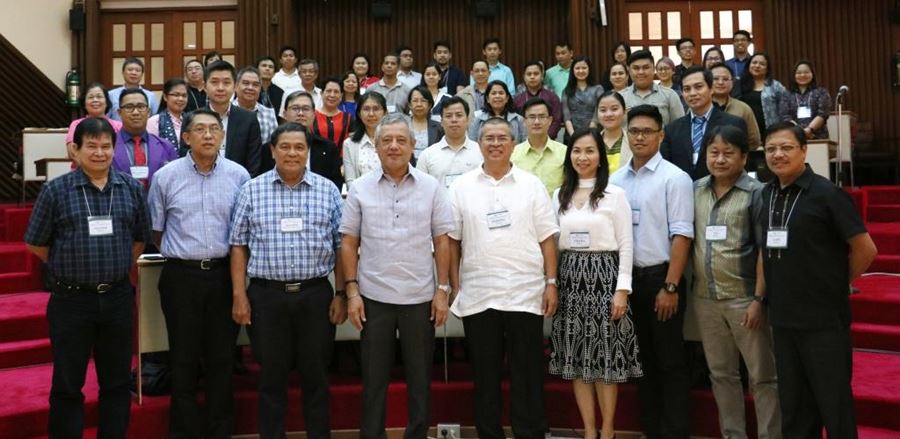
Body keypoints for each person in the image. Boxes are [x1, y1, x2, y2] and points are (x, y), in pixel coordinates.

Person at [25, 117, 150, 438]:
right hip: (71, 300)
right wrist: (67, 264)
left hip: (118, 298)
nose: (99, 153)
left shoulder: (131, 189)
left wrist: (118, 263)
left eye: (106, 146)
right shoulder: (56, 190)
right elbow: (35, 242)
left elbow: (139, 238)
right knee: (68, 383)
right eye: (91, 146)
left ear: (114, 149)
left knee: (117, 382)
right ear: (75, 151)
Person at [758, 122, 877, 438]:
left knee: (833, 404)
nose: (778, 154)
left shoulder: (827, 193)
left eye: (786, 147)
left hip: (823, 320)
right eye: (771, 149)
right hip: (783, 319)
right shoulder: (765, 195)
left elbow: (866, 249)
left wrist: (837, 282)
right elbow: (763, 250)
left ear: (803, 150)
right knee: (795, 407)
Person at [229, 122, 347, 439]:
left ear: (307, 152)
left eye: (299, 147)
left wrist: (341, 293)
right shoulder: (252, 190)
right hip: (267, 298)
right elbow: (238, 245)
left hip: (315, 297)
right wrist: (240, 295)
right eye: (285, 146)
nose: (292, 153)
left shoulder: (328, 190)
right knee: (270, 379)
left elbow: (341, 246)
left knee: (317, 378)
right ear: (272, 150)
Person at [340, 114, 455, 439]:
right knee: (373, 381)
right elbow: (348, 242)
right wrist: (352, 293)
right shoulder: (359, 187)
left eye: (401, 140)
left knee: (420, 381)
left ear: (413, 145)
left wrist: (442, 289)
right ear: (375, 147)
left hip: (420, 298)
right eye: (386, 140)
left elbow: (442, 240)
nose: (393, 146)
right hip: (374, 298)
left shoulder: (431, 187)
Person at [448, 117, 559, 439]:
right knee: (485, 376)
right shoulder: (461, 186)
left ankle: (531, 433)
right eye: (488, 138)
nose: (495, 143)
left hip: (526, 292)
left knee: (528, 374)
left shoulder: (532, 184)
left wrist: (551, 282)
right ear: (478, 144)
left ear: (513, 143)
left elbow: (547, 238)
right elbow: (452, 240)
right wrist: (455, 285)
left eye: (502, 138)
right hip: (479, 293)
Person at [148, 109, 250, 438]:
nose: (208, 135)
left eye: (214, 129)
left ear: (221, 136)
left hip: (224, 277)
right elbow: (157, 231)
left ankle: (221, 431)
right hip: (181, 277)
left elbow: (245, 233)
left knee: (222, 360)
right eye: (200, 130)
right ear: (186, 137)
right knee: (183, 359)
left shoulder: (239, 175)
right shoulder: (166, 176)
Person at [690, 125, 781, 439]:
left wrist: (759, 299)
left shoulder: (757, 194)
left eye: (728, 153)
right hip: (705, 299)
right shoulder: (695, 189)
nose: (720, 159)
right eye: (714, 152)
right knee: (721, 374)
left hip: (745, 299)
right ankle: (733, 435)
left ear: (744, 157)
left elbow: (764, 250)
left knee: (763, 377)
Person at [550, 128, 642, 439]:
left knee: (605, 359)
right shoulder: (558, 194)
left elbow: (626, 244)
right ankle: (589, 431)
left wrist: (622, 290)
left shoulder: (615, 195)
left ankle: (607, 430)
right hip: (570, 281)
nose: (582, 157)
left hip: (605, 278)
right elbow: (552, 242)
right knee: (578, 360)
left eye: (589, 151)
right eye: (576, 151)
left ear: (600, 157)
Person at [610, 105, 693, 439]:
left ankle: (674, 433)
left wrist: (671, 287)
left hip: (662, 281)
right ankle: (650, 431)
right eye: (634, 131)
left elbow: (683, 235)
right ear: (627, 135)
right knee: (640, 363)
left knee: (671, 363)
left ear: (661, 135)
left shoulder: (675, 178)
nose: (640, 137)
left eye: (647, 131)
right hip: (628, 283)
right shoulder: (616, 181)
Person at [660, 66, 747, 179]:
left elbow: (740, 163)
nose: (692, 93)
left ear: (711, 89)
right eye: (687, 89)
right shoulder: (671, 129)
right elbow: (667, 167)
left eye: (698, 87)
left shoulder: (733, 123)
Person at [201, 60, 263, 177]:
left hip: (238, 187)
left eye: (226, 83)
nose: (220, 88)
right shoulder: (193, 119)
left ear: (235, 86)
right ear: (204, 86)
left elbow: (254, 163)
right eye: (214, 82)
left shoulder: (249, 119)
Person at [113, 88, 178, 188]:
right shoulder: (108, 146)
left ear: (148, 111)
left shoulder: (166, 147)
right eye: (129, 107)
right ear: (119, 112)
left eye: (141, 106)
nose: (135, 112)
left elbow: (174, 182)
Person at [280, 91, 344, 189]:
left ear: (314, 114)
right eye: (295, 108)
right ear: (284, 114)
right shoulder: (271, 148)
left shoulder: (328, 148)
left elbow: (336, 184)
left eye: (306, 109)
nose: (300, 113)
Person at [416, 96, 482, 187]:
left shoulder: (481, 152)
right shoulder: (427, 155)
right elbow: (420, 189)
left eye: (459, 115)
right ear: (442, 122)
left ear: (467, 120)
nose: (454, 120)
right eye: (448, 116)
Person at [512, 97, 567, 194]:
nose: (537, 121)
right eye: (532, 117)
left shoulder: (564, 152)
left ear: (550, 120)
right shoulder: (513, 154)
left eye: (542, 117)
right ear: (524, 121)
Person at [621, 50, 685, 127]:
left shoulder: (670, 95)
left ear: (654, 68)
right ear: (629, 70)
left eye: (646, 67)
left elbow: (680, 127)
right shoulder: (620, 97)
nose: (641, 72)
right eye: (636, 68)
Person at [710, 63, 762, 151]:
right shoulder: (700, 107)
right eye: (715, 79)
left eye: (725, 79)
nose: (720, 82)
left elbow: (754, 140)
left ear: (732, 82)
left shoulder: (743, 108)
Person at [740, 52, 788, 141]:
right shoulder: (739, 85)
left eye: (762, 64)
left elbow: (785, 110)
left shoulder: (776, 86)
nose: (757, 66)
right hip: (746, 132)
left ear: (767, 69)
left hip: (771, 132)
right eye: (754, 63)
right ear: (749, 65)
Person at [779, 60, 832, 139]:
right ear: (794, 75)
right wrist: (799, 132)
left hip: (817, 137)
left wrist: (809, 130)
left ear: (812, 74)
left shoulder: (821, 92)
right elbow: (785, 116)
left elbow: (822, 114)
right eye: (799, 73)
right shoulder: (787, 94)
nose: (803, 75)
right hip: (794, 137)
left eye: (806, 72)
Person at [343, 92, 387, 185]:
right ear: (359, 114)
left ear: (385, 113)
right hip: (361, 197)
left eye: (376, 109)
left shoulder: (393, 141)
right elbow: (350, 181)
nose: (371, 114)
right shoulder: (349, 144)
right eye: (366, 109)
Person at [65, 83, 123, 152]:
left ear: (107, 102)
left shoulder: (119, 126)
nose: (95, 100)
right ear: (84, 103)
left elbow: (122, 152)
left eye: (99, 97)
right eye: (90, 97)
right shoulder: (76, 124)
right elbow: (72, 152)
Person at [514, 60, 563, 139]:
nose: (532, 77)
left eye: (536, 74)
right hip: (523, 141)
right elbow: (515, 124)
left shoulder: (552, 97)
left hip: (548, 140)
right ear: (524, 77)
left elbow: (556, 121)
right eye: (529, 74)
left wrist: (546, 138)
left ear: (542, 76)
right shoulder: (517, 100)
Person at [233, 66, 279, 146]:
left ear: (260, 89)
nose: (250, 88)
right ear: (236, 86)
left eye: (255, 85)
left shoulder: (269, 113)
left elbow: (274, 145)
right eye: (246, 83)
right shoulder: (227, 110)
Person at [562, 56, 604, 137]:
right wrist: (573, 135)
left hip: (594, 133)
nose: (581, 71)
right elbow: (566, 116)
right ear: (573, 70)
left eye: (584, 68)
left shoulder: (598, 89)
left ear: (589, 69)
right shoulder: (566, 91)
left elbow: (598, 112)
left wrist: (590, 132)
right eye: (577, 68)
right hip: (571, 134)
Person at [595, 91, 633, 172]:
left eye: (614, 109)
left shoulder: (634, 141)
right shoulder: (592, 142)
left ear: (624, 112)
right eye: (603, 110)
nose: (608, 114)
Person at [312, 77, 353, 148]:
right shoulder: (311, 116)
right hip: (315, 158)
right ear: (321, 93)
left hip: (342, 158)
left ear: (341, 95)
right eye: (328, 91)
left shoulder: (348, 118)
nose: (332, 95)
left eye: (336, 92)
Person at [147, 79, 189, 148]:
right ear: (165, 97)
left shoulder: (191, 120)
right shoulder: (154, 121)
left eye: (184, 95)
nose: (181, 99)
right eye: (176, 95)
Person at [407, 86, 444, 158]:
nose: (419, 104)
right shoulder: (402, 126)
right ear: (410, 105)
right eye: (415, 101)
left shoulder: (439, 127)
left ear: (429, 105)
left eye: (423, 101)